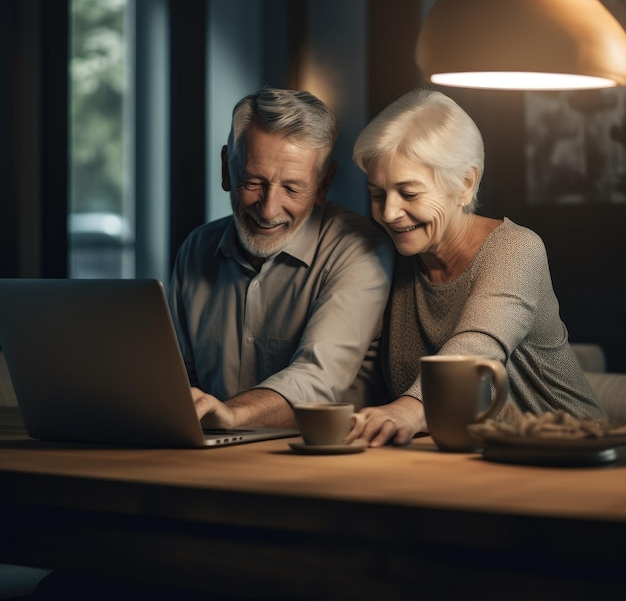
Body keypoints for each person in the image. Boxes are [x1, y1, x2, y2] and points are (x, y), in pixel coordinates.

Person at [351, 88, 607, 447]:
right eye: (378, 194)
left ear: (465, 184)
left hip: (569, 459)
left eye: (409, 193)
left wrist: (409, 409)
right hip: (461, 463)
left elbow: (480, 343)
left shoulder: (515, 248)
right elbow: (365, 377)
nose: (389, 213)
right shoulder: (389, 257)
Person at [167, 86, 395, 429]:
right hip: (207, 458)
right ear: (227, 170)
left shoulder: (359, 250)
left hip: (318, 469)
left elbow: (317, 379)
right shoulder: (196, 250)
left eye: (292, 188)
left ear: (323, 185)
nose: (269, 209)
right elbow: (176, 378)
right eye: (253, 182)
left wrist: (231, 414)